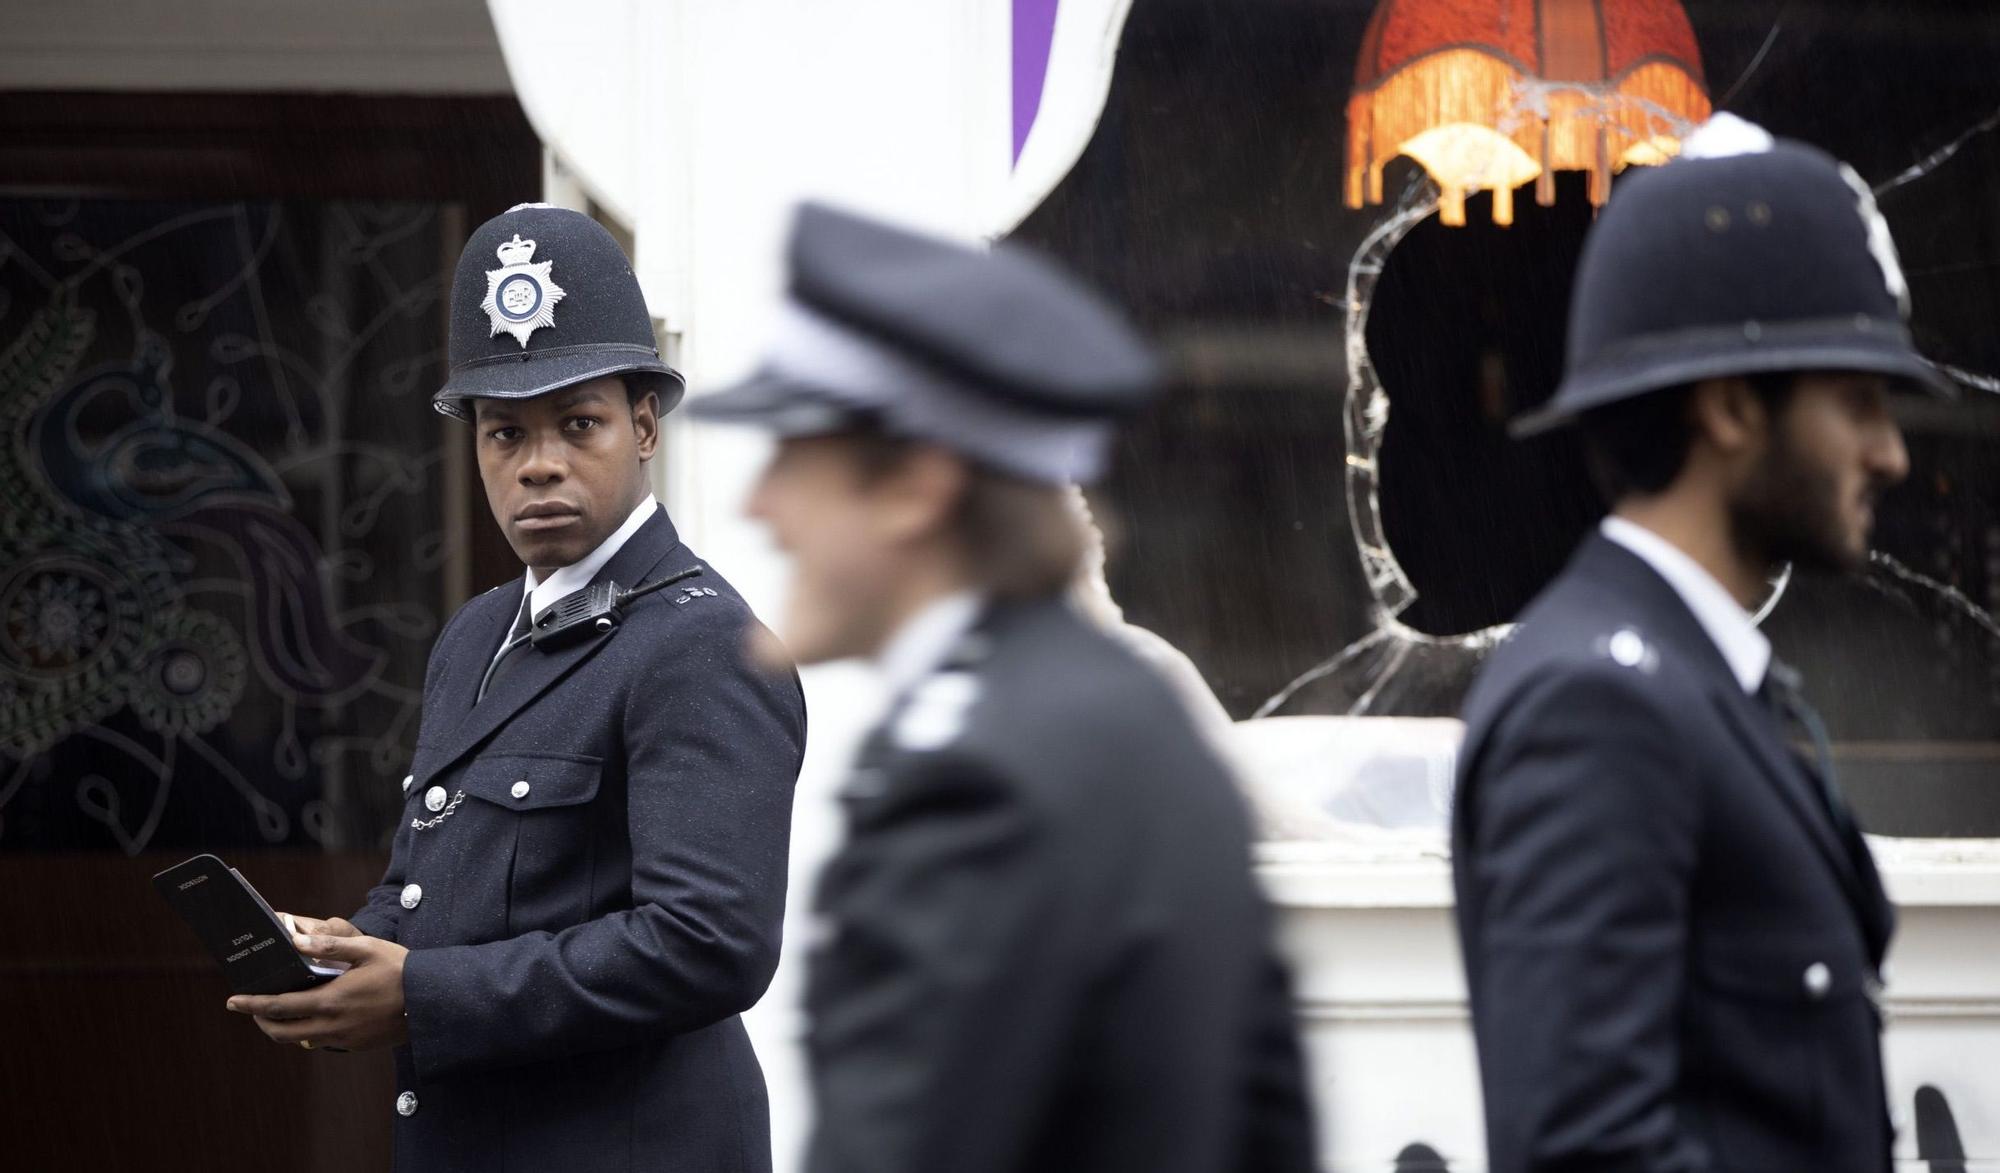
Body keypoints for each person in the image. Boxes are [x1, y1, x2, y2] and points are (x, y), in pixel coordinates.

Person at [689, 202, 1318, 1173]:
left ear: (916, 485)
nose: (756, 506)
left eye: (792, 455)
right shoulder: (1135, 712)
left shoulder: (970, 775)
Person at [224, 203, 807, 1173]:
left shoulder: (701, 641)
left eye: (578, 424)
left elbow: (709, 943)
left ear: (645, 425)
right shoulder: (477, 634)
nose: (539, 465)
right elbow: (439, 884)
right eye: (504, 434)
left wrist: (420, 994)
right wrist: (346, 950)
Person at [1452, 116, 1954, 1173]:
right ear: (1728, 407)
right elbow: (1587, 1153)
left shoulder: (1691, 682)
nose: (1890, 454)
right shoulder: (1598, 707)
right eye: (1856, 402)